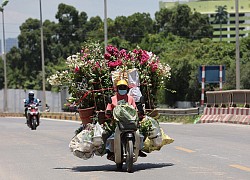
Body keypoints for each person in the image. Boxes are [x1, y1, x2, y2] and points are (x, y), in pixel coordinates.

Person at [104, 79, 147, 160]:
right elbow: (108, 110)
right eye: (120, 88)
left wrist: (140, 112)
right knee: (105, 134)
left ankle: (139, 148)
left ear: (127, 89)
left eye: (124, 88)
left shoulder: (130, 99)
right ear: (117, 89)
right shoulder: (113, 99)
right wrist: (109, 113)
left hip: (130, 122)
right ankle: (110, 152)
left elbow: (135, 109)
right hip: (116, 123)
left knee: (142, 133)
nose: (122, 89)